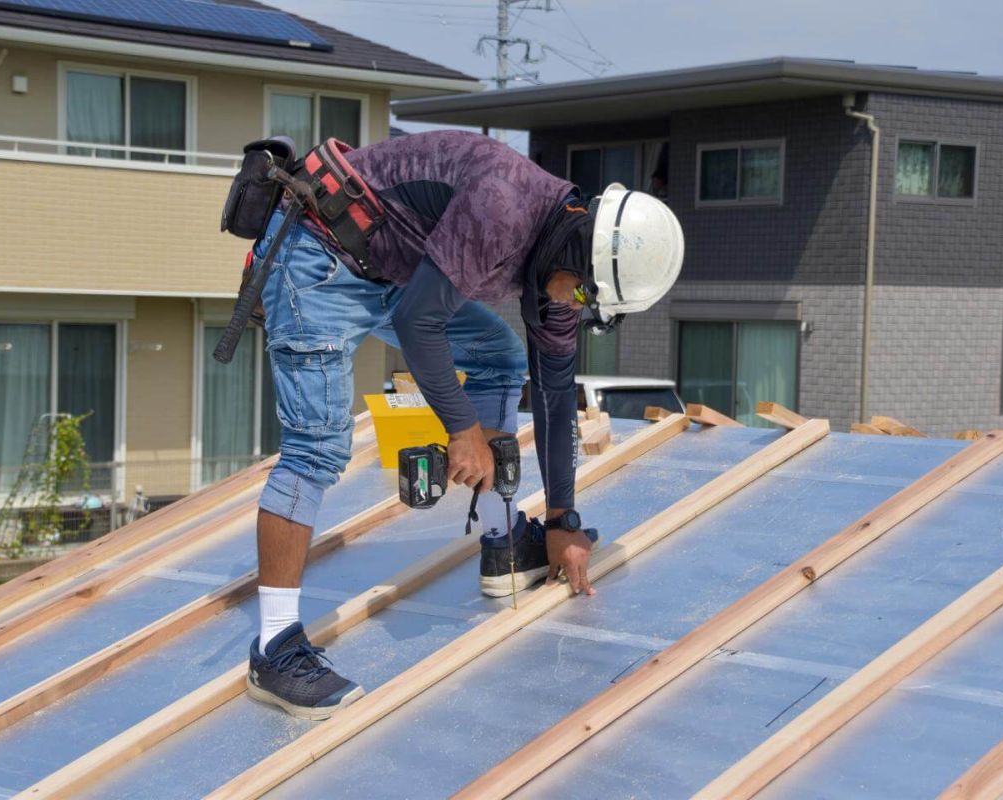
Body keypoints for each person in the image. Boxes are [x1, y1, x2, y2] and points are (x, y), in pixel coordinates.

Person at [244, 130, 683, 720]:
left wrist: (562, 520)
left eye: (587, 304)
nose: (573, 307)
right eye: (580, 293)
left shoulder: (565, 267)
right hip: (315, 255)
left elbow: (554, 391)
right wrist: (464, 430)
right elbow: (420, 324)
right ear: (579, 252)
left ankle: (505, 542)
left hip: (387, 270)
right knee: (318, 445)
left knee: (499, 357)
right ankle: (274, 649)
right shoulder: (501, 209)